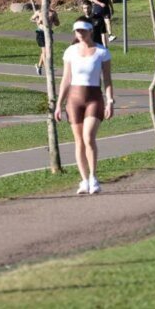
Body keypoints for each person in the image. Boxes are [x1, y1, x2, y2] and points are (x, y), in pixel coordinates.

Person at [54, 17, 114, 195]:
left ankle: (94, 177)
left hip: (94, 98)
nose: (79, 34)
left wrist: (110, 101)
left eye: (83, 30)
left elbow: (108, 80)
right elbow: (66, 79)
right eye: (77, 31)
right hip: (74, 100)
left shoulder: (102, 52)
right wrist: (59, 104)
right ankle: (84, 180)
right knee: (79, 141)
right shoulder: (70, 52)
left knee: (88, 137)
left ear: (90, 31)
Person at [30, 5, 60, 75]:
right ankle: (48, 69)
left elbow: (58, 24)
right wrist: (37, 21)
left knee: (46, 51)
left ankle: (39, 66)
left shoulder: (53, 13)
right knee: (44, 51)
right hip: (40, 32)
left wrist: (55, 20)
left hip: (49, 33)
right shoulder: (39, 12)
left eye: (48, 3)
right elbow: (31, 19)